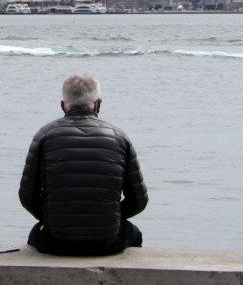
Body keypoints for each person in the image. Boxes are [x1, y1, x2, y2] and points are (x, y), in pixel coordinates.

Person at [20, 75, 148, 256]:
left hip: (55, 241)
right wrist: (110, 216)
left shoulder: (44, 135)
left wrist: (52, 217)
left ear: (63, 105)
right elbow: (139, 201)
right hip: (108, 242)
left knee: (35, 234)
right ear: (98, 105)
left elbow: (27, 196)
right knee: (134, 233)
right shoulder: (119, 137)